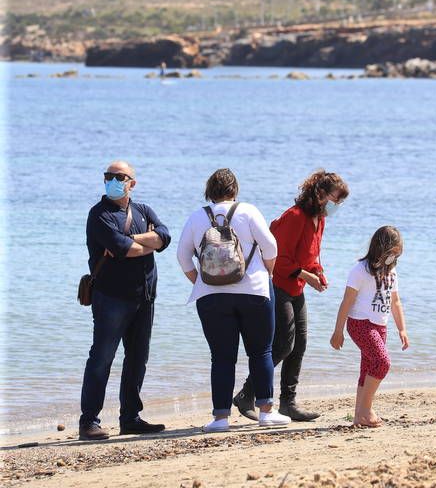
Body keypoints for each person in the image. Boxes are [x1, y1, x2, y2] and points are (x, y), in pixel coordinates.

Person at [177, 168, 291, 432]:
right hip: (254, 293)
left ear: (209, 191)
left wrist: (202, 283)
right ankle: (265, 412)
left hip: (211, 299)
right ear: (234, 190)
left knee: (221, 357)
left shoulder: (197, 217)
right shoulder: (248, 211)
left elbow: (183, 258)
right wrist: (266, 272)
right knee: (260, 351)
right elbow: (271, 247)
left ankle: (220, 418)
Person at [234, 169, 349, 422]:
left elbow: (310, 255)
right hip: (278, 285)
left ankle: (288, 403)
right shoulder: (294, 217)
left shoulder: (320, 219)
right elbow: (278, 258)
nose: (337, 205)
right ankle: (247, 393)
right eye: (335, 199)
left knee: (300, 345)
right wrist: (306, 275)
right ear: (319, 193)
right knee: (283, 345)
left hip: (296, 287)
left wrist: (318, 272)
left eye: (341, 201)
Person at [79, 160, 171, 440]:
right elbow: (122, 248)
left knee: (137, 359)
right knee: (102, 358)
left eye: (119, 176)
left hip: (144, 296)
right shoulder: (99, 215)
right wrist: (146, 241)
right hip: (111, 298)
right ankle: (89, 422)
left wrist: (136, 239)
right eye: (108, 176)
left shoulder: (142, 209)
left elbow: (165, 237)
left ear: (132, 182)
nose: (112, 180)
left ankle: (130, 418)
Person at [330, 225, 409, 427]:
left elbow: (395, 301)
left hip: (380, 325)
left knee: (368, 367)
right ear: (380, 249)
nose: (394, 259)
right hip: (360, 323)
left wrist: (402, 329)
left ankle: (359, 415)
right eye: (391, 254)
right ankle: (367, 409)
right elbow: (346, 301)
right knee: (383, 362)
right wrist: (338, 331)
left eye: (397, 256)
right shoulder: (360, 270)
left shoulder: (392, 272)